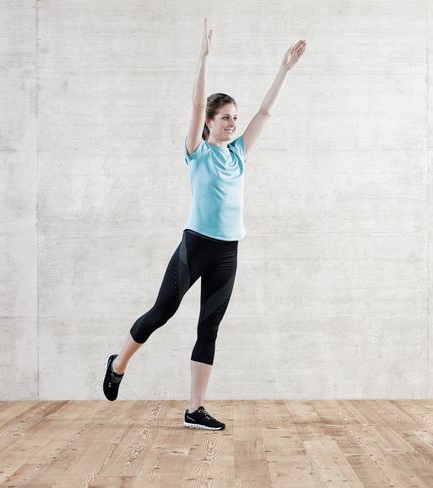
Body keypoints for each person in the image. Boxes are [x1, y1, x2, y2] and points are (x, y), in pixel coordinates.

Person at [103, 17, 307, 430]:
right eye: (226, 117)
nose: (233, 123)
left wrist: (284, 69)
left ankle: (194, 409)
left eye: (235, 117)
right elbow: (195, 105)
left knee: (209, 327)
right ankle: (118, 362)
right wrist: (203, 58)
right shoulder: (197, 152)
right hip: (195, 247)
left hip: (228, 252)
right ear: (210, 122)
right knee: (161, 312)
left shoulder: (238, 154)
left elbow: (266, 111)